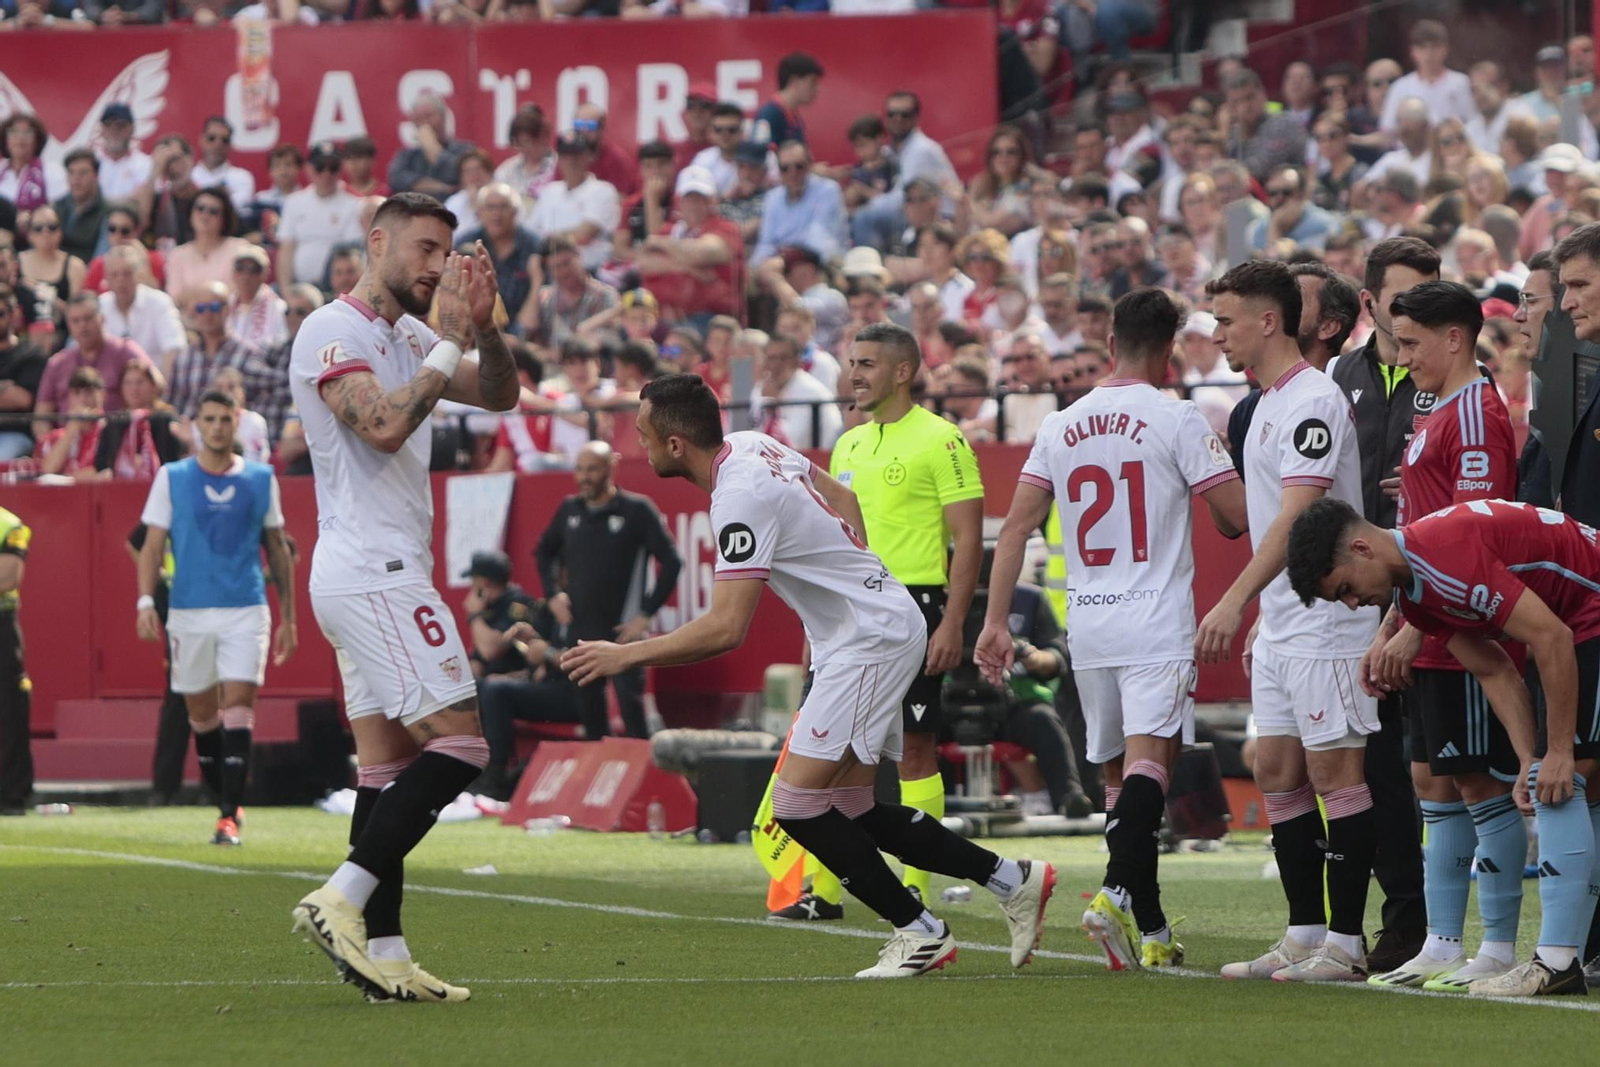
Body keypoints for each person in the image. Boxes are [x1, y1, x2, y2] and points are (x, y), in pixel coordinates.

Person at [561, 373, 1056, 978]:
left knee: (795, 806)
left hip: (868, 639)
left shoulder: (736, 495)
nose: (636, 445)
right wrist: (858, 581)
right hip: (864, 629)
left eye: (642, 433)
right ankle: (1013, 880)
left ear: (673, 446)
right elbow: (845, 502)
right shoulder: (749, 443)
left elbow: (725, 628)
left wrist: (625, 655)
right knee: (847, 805)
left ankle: (919, 930)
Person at [286, 193, 518, 1004]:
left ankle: (384, 953)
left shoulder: (412, 333)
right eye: (424, 248)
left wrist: (482, 326)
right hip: (372, 569)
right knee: (461, 746)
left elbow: (499, 396)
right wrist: (452, 333)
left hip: (378, 568)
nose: (435, 266)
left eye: (446, 253)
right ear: (375, 242)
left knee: (384, 770)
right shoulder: (332, 331)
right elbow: (382, 425)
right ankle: (340, 897)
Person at [980, 287, 1247, 971]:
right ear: (1169, 351)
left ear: (1109, 345)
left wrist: (993, 622)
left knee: (1117, 779)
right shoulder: (1177, 416)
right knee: (1151, 765)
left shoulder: (1060, 424)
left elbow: (1015, 529)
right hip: (1155, 617)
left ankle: (1151, 928)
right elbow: (1234, 516)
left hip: (1090, 621)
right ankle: (1115, 892)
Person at [1286, 496, 1599, 997]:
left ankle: (1556, 962)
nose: (1353, 604)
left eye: (1345, 588)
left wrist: (1555, 751)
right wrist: (1528, 759)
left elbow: (1553, 638)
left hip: (1589, 614)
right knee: (1564, 781)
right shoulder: (1414, 595)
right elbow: (1492, 667)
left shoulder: (1448, 561)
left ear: (1363, 548)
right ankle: (1564, 958)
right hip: (1579, 617)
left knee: (1566, 777)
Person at [1197, 260, 1382, 982]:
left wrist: (1233, 597)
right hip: (1284, 621)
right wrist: (1260, 610)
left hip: (1329, 619)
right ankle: (1304, 931)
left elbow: (1296, 517)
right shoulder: (1268, 401)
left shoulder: (1312, 400)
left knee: (1338, 773)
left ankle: (1347, 942)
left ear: (1267, 320)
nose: (1217, 336)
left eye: (1225, 320)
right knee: (1276, 768)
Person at [772, 323, 985, 920]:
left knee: (915, 750)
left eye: (867, 363)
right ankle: (826, 891)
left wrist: (953, 623)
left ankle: (915, 884)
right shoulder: (847, 445)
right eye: (850, 363)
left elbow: (967, 539)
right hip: (847, 610)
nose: (854, 374)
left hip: (915, 606)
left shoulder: (943, 441)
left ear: (903, 371)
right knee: (827, 750)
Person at [135, 388, 296, 846]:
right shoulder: (172, 477)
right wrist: (145, 602)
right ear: (196, 425)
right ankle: (225, 797)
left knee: (240, 705)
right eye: (209, 419)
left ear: (237, 421)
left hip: (246, 607)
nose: (218, 427)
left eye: (225, 419)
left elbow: (279, 551)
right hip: (188, 610)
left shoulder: (262, 479)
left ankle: (226, 816)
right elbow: (150, 545)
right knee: (202, 717)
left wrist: (290, 618)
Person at [534, 441, 680, 739]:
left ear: (611, 468)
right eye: (579, 469)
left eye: (592, 469)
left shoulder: (636, 510)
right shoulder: (569, 510)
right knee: (592, 723)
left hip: (622, 635)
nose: (584, 477)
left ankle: (651, 782)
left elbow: (672, 561)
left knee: (633, 716)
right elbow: (543, 552)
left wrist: (645, 614)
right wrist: (553, 596)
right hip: (582, 634)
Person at [461, 550, 578, 800]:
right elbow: (537, 653)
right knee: (478, 688)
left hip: (578, 694)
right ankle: (470, 768)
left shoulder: (521, 605)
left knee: (495, 690)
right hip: (544, 685)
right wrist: (533, 642)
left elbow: (492, 649)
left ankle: (495, 775)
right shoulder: (548, 609)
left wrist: (474, 615)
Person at [276, 142, 363, 287]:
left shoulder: (354, 204)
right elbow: (286, 251)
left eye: (332, 168)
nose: (326, 174)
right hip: (300, 287)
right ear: (308, 169)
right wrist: (287, 292)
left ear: (340, 169)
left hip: (336, 288)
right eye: (320, 167)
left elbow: (349, 255)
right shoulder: (294, 202)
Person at [100, 246, 186, 375]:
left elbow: (174, 349)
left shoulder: (159, 302)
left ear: (139, 274)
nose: (121, 280)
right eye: (114, 275)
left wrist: (163, 390)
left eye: (127, 273)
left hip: (153, 385)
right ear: (106, 278)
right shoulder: (100, 305)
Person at [0, 504, 30, 816]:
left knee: (11, 709)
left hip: (1, 627)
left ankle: (12, 794)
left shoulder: (9, 523)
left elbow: (8, 577)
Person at [0, 284, 46, 460]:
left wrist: (12, 394)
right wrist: (5, 387)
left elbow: (22, 399)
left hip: (14, 434)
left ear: (14, 314)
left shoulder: (31, 354)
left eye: (1, 314)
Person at [753, 52, 823, 148]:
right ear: (794, 81)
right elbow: (760, 156)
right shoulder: (769, 115)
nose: (817, 89)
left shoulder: (795, 119)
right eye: (812, 82)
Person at [191, 117, 257, 215]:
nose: (218, 144)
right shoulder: (188, 176)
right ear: (202, 140)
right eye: (212, 138)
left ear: (230, 144)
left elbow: (234, 212)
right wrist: (223, 196)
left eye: (224, 140)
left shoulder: (243, 178)